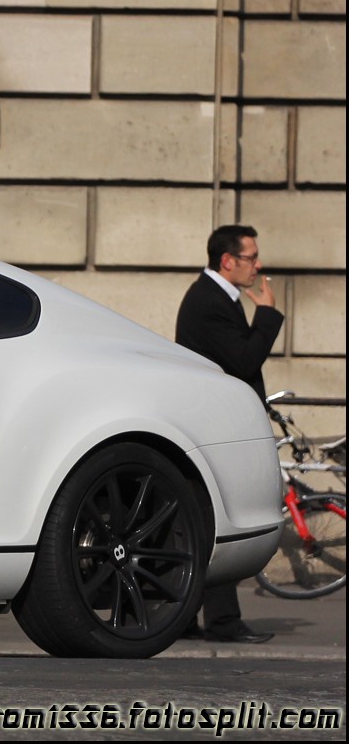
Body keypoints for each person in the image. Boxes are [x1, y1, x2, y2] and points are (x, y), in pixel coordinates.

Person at [174, 224, 284, 644]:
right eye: (251, 257)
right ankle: (219, 621)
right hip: (215, 425)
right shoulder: (209, 301)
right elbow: (243, 361)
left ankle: (186, 617)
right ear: (227, 261)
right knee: (223, 520)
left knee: (207, 521)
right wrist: (268, 315)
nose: (258, 265)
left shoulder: (216, 297)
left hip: (214, 423)